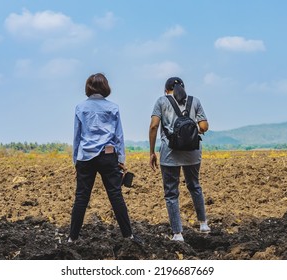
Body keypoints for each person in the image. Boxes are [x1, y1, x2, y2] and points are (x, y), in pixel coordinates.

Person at [69, 73, 142, 244]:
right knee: (116, 195)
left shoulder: (80, 108)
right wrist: (121, 158)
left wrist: (75, 161)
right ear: (105, 88)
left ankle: (72, 238)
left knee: (81, 197)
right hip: (108, 155)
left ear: (88, 87)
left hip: (85, 157)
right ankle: (128, 235)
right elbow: (119, 136)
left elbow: (77, 136)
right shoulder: (113, 107)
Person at [149, 77, 210, 242]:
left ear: (165, 89)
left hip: (170, 154)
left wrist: (152, 152)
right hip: (193, 153)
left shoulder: (161, 101)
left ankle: (177, 234)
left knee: (171, 193)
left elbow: (154, 126)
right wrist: (190, 132)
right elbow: (204, 126)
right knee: (194, 186)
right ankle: (203, 224)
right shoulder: (194, 101)